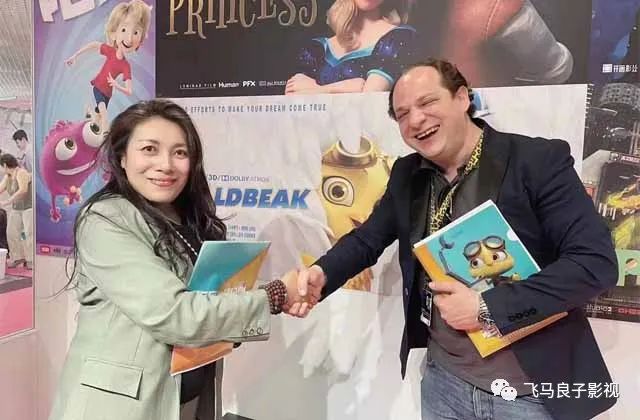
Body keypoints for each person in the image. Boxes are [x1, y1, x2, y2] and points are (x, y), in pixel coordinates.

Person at [296, 59, 618, 420]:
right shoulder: (407, 173)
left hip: (529, 395)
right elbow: (367, 239)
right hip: (444, 384)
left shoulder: (536, 161)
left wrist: (486, 307)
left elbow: (595, 264)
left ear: (463, 97)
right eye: (402, 114)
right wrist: (322, 273)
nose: (416, 120)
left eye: (427, 102)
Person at [48, 100, 319, 420]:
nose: (166, 164)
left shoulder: (187, 219)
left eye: (179, 152)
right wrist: (276, 295)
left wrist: (279, 292)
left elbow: (209, 298)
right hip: (121, 407)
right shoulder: (105, 219)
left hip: (183, 399)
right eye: (149, 149)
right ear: (122, 157)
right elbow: (175, 314)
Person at [286, 0, 417, 94]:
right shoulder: (317, 49)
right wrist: (351, 86)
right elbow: (293, 97)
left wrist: (316, 89)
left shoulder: (400, 37)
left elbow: (368, 97)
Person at [65, 0, 152, 130]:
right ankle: (104, 133)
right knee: (105, 117)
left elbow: (129, 90)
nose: (129, 39)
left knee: (98, 119)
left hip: (107, 94)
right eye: (124, 30)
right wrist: (75, 56)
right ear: (114, 33)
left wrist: (116, 85)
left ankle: (89, 112)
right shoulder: (110, 52)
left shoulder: (125, 66)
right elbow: (94, 45)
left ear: (140, 39)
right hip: (98, 87)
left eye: (136, 32)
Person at [0, 154, 33, 270]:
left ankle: (31, 260)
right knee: (11, 233)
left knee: (29, 234)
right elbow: (0, 188)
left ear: (5, 165)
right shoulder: (8, 177)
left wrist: (7, 201)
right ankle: (17, 257)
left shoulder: (21, 172)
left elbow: (23, 190)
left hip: (28, 208)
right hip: (16, 209)